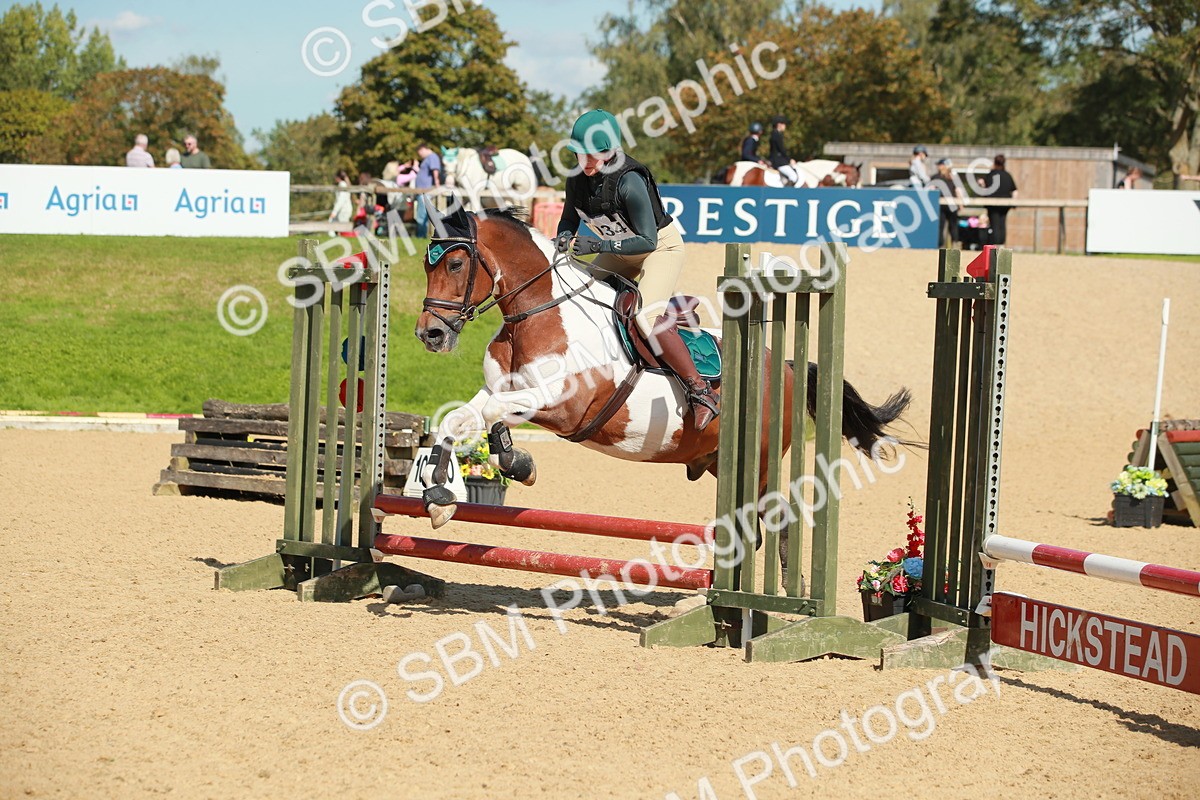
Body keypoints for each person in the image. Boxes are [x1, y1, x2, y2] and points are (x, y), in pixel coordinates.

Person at [554, 109, 719, 431]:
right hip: (620, 251)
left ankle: (700, 391)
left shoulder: (629, 181)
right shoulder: (577, 177)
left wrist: (597, 246)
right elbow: (569, 218)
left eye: (588, 155)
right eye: (577, 153)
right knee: (578, 294)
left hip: (659, 249)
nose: (582, 161)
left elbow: (646, 240)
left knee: (645, 316)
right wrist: (564, 236)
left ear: (608, 151)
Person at [977, 154, 1018, 245]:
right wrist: (1014, 203)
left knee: (994, 224)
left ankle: (996, 244)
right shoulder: (1007, 175)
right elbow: (1014, 191)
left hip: (993, 204)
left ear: (994, 162)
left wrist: (981, 184)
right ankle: (1001, 243)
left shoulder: (991, 175)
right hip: (1005, 204)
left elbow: (985, 189)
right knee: (1002, 224)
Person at [929, 159, 966, 247]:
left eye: (940, 165)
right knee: (950, 226)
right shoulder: (952, 177)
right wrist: (960, 204)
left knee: (946, 226)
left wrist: (960, 203)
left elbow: (957, 191)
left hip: (943, 205)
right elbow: (958, 191)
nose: (938, 166)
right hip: (949, 205)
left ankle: (945, 245)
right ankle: (951, 244)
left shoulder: (937, 177)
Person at [414, 143, 442, 238]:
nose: (420, 155)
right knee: (422, 214)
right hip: (422, 191)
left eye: (420, 153)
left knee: (422, 215)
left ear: (423, 149)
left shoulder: (432, 157)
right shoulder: (428, 158)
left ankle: (421, 236)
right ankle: (421, 235)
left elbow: (435, 171)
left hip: (426, 191)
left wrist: (437, 184)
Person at [767, 115, 799, 185]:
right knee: (793, 176)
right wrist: (789, 159)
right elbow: (781, 150)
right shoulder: (777, 135)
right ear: (779, 125)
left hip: (776, 160)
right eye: (784, 124)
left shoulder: (774, 134)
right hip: (779, 162)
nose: (785, 126)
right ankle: (787, 194)